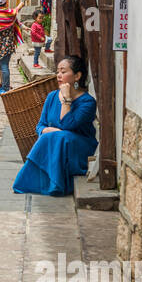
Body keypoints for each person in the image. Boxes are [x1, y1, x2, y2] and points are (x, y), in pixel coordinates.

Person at [13, 55, 97, 196]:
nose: (59, 75)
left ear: (77, 76)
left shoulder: (87, 102)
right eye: (58, 72)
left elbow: (67, 124)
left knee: (61, 136)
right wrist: (48, 130)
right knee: (56, 136)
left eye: (63, 72)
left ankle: (53, 184)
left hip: (79, 147)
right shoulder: (52, 96)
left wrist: (67, 100)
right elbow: (40, 126)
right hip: (56, 143)